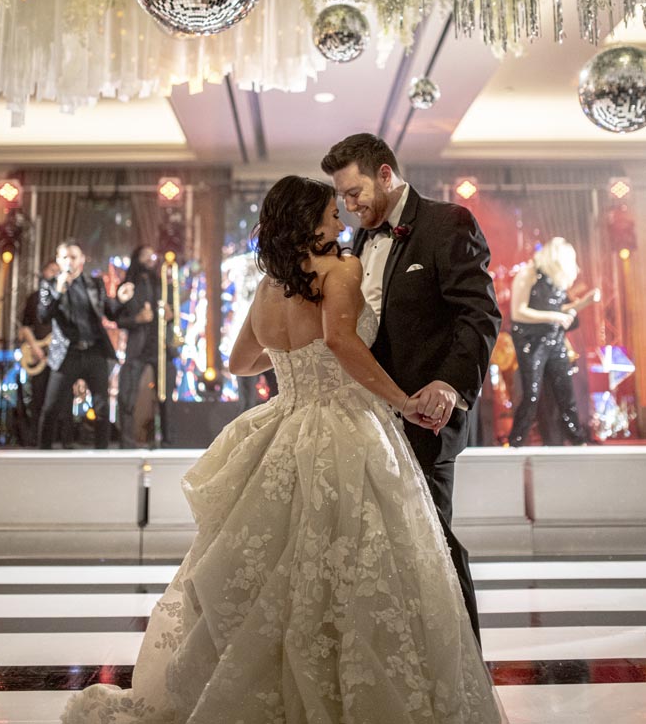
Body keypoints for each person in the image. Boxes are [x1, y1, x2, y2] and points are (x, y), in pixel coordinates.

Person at [61, 176, 504, 724]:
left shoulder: (269, 287)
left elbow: (242, 361)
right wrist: (401, 400)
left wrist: (296, 363)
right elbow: (341, 343)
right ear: (310, 221)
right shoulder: (341, 269)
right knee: (356, 562)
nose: (340, 222)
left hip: (287, 426)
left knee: (280, 563)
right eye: (330, 213)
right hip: (346, 427)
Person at [321, 133, 501, 642]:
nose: (350, 206)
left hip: (427, 413)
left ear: (385, 174)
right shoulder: (356, 242)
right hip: (367, 418)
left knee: (434, 542)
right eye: (343, 199)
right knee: (384, 550)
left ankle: (465, 672)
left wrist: (449, 384)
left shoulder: (449, 223)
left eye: (355, 192)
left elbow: (480, 314)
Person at [37, 239, 134, 450]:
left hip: (94, 351)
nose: (69, 261)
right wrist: (59, 291)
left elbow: (110, 313)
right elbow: (43, 316)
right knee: (51, 407)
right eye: (65, 257)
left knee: (101, 407)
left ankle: (102, 455)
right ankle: (42, 454)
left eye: (73, 256)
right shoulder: (50, 285)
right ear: (58, 260)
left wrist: (120, 299)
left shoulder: (94, 284)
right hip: (66, 353)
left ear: (81, 259)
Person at [507, 236, 601, 447]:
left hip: (554, 338)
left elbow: (559, 311)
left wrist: (584, 302)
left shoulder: (554, 280)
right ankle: (516, 441)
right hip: (530, 340)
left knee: (565, 391)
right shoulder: (529, 273)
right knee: (531, 394)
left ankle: (578, 440)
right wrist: (555, 317)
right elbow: (518, 312)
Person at [116, 244, 176, 448]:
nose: (150, 258)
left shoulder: (162, 283)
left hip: (161, 348)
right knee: (128, 395)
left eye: (152, 254)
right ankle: (127, 442)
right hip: (138, 348)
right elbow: (119, 319)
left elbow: (172, 313)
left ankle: (167, 442)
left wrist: (170, 315)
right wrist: (138, 318)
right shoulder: (128, 285)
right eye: (145, 255)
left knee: (166, 397)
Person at [18, 259, 60, 445]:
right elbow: (25, 326)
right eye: (52, 270)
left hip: (59, 355)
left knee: (60, 398)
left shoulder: (64, 298)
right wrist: (35, 346)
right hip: (39, 352)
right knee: (38, 396)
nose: (55, 274)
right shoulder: (34, 298)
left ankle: (60, 439)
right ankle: (36, 438)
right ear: (43, 272)